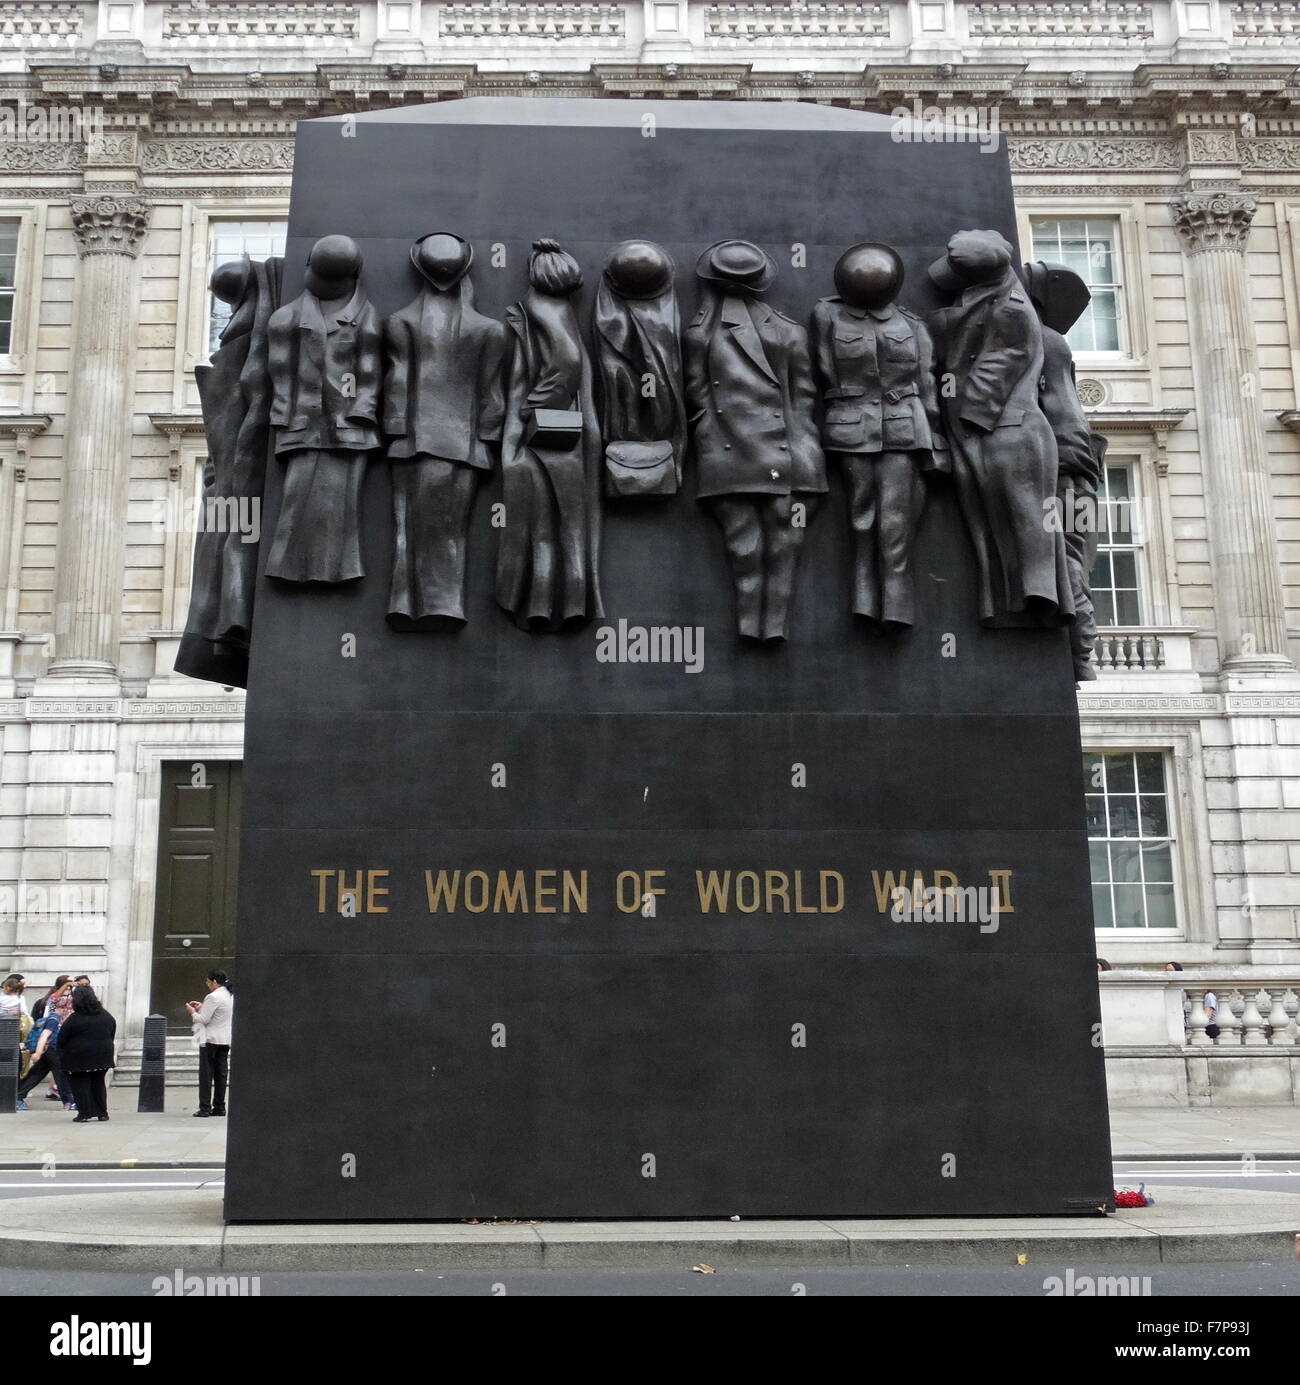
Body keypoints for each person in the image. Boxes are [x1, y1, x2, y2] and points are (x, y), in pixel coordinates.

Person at [56, 985, 116, 1123]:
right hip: (103, 1054)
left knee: (80, 1084)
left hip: (79, 1056)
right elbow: (112, 1031)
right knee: (98, 1083)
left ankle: (84, 1113)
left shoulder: (74, 1018)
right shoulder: (105, 1015)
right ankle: (102, 1112)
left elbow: (62, 1038)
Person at [187, 970, 234, 1118]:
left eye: (208, 982)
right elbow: (219, 1014)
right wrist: (202, 1007)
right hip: (224, 1039)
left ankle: (205, 1108)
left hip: (210, 1040)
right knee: (221, 1074)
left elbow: (203, 1020)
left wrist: (192, 1012)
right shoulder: (229, 995)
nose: (207, 985)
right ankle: (219, 1107)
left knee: (206, 1075)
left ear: (214, 982)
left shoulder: (213, 996)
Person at [17, 1005, 74, 1111]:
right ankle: (69, 1101)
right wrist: (38, 1053)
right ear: (60, 1009)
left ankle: (18, 1096)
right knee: (61, 1075)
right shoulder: (54, 1020)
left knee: (36, 1073)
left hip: (46, 1052)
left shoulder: (46, 1019)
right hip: (52, 1051)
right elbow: (44, 1035)